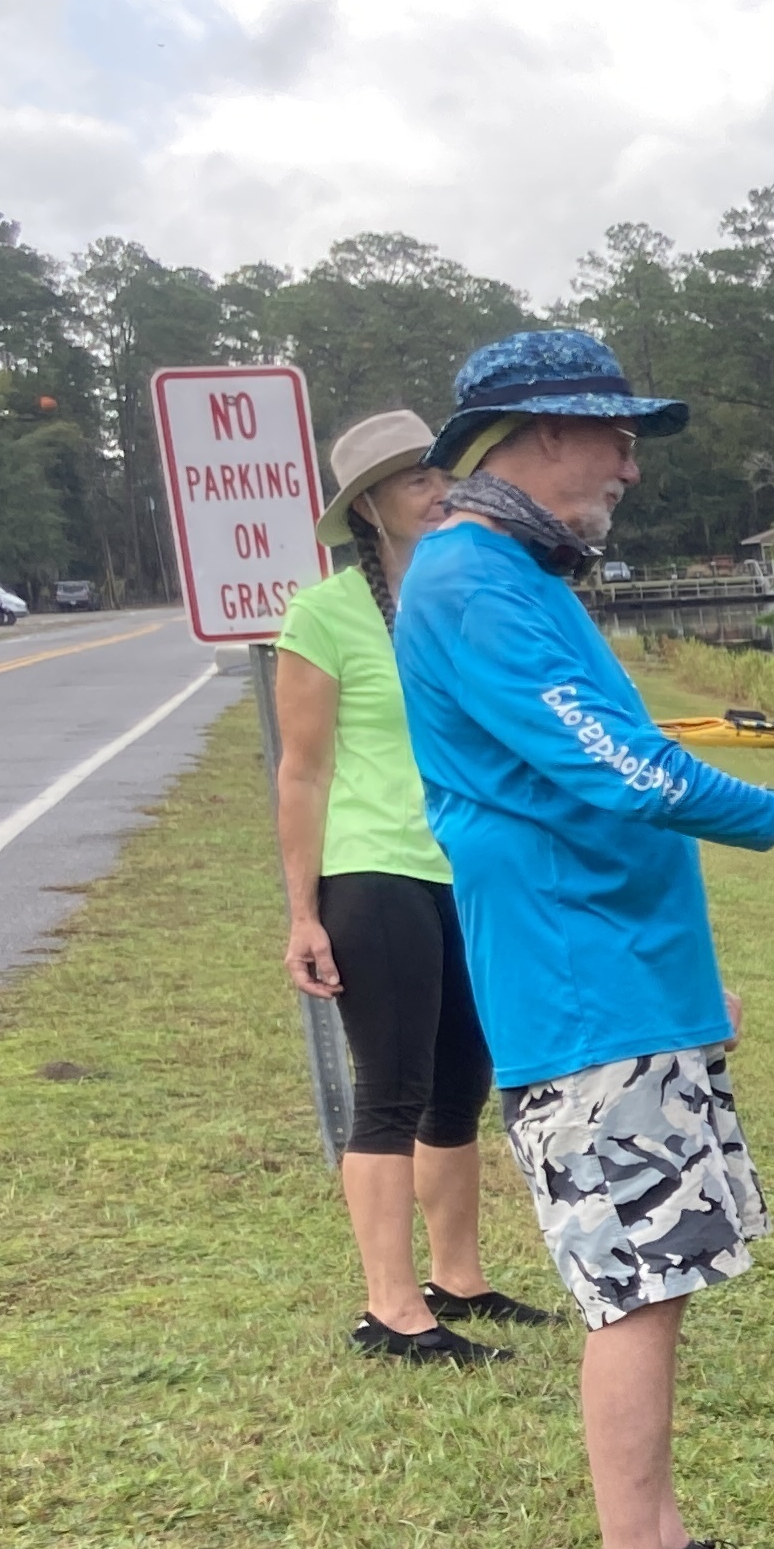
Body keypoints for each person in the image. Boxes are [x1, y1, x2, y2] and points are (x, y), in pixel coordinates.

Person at [392, 329, 774, 1549]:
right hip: (578, 991)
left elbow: (610, 788)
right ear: (525, 435)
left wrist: (687, 984)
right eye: (609, 431)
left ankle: (669, 1547)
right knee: (631, 1286)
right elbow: (626, 768)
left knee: (667, 1269)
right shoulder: (468, 579)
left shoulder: (517, 576)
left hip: (629, 978)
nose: (631, 459)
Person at [274, 406, 546, 1363]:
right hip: (372, 868)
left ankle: (457, 1279)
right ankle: (389, 1311)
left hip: (463, 867)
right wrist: (304, 912)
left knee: (463, 1082)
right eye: (414, 482)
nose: (438, 493)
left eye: (443, 475)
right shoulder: (325, 615)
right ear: (370, 509)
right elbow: (301, 772)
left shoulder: (460, 597)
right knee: (391, 1089)